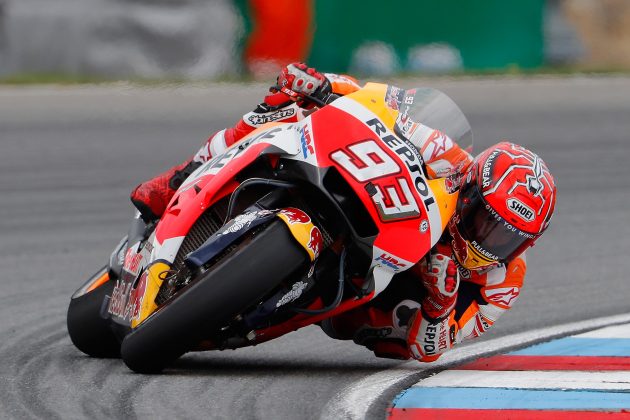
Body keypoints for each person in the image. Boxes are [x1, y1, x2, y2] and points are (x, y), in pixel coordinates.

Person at [131, 63, 557, 362]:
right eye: (485, 220)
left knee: (398, 335)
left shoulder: (503, 284)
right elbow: (379, 100)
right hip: (371, 202)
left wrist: (440, 305)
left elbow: (432, 350)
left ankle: (274, 302)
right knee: (281, 111)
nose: (488, 241)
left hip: (377, 291)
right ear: (470, 192)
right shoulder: (448, 157)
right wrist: (322, 85)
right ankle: (175, 181)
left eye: (507, 238)